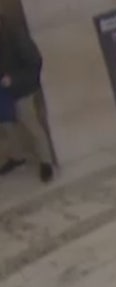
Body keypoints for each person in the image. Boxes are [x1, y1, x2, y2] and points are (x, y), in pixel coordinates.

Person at [0, 14, 53, 183]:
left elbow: (34, 62)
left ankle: (46, 162)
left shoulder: (16, 35)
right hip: (4, 91)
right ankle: (17, 156)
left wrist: (14, 78)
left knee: (29, 122)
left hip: (21, 88)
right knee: (8, 125)